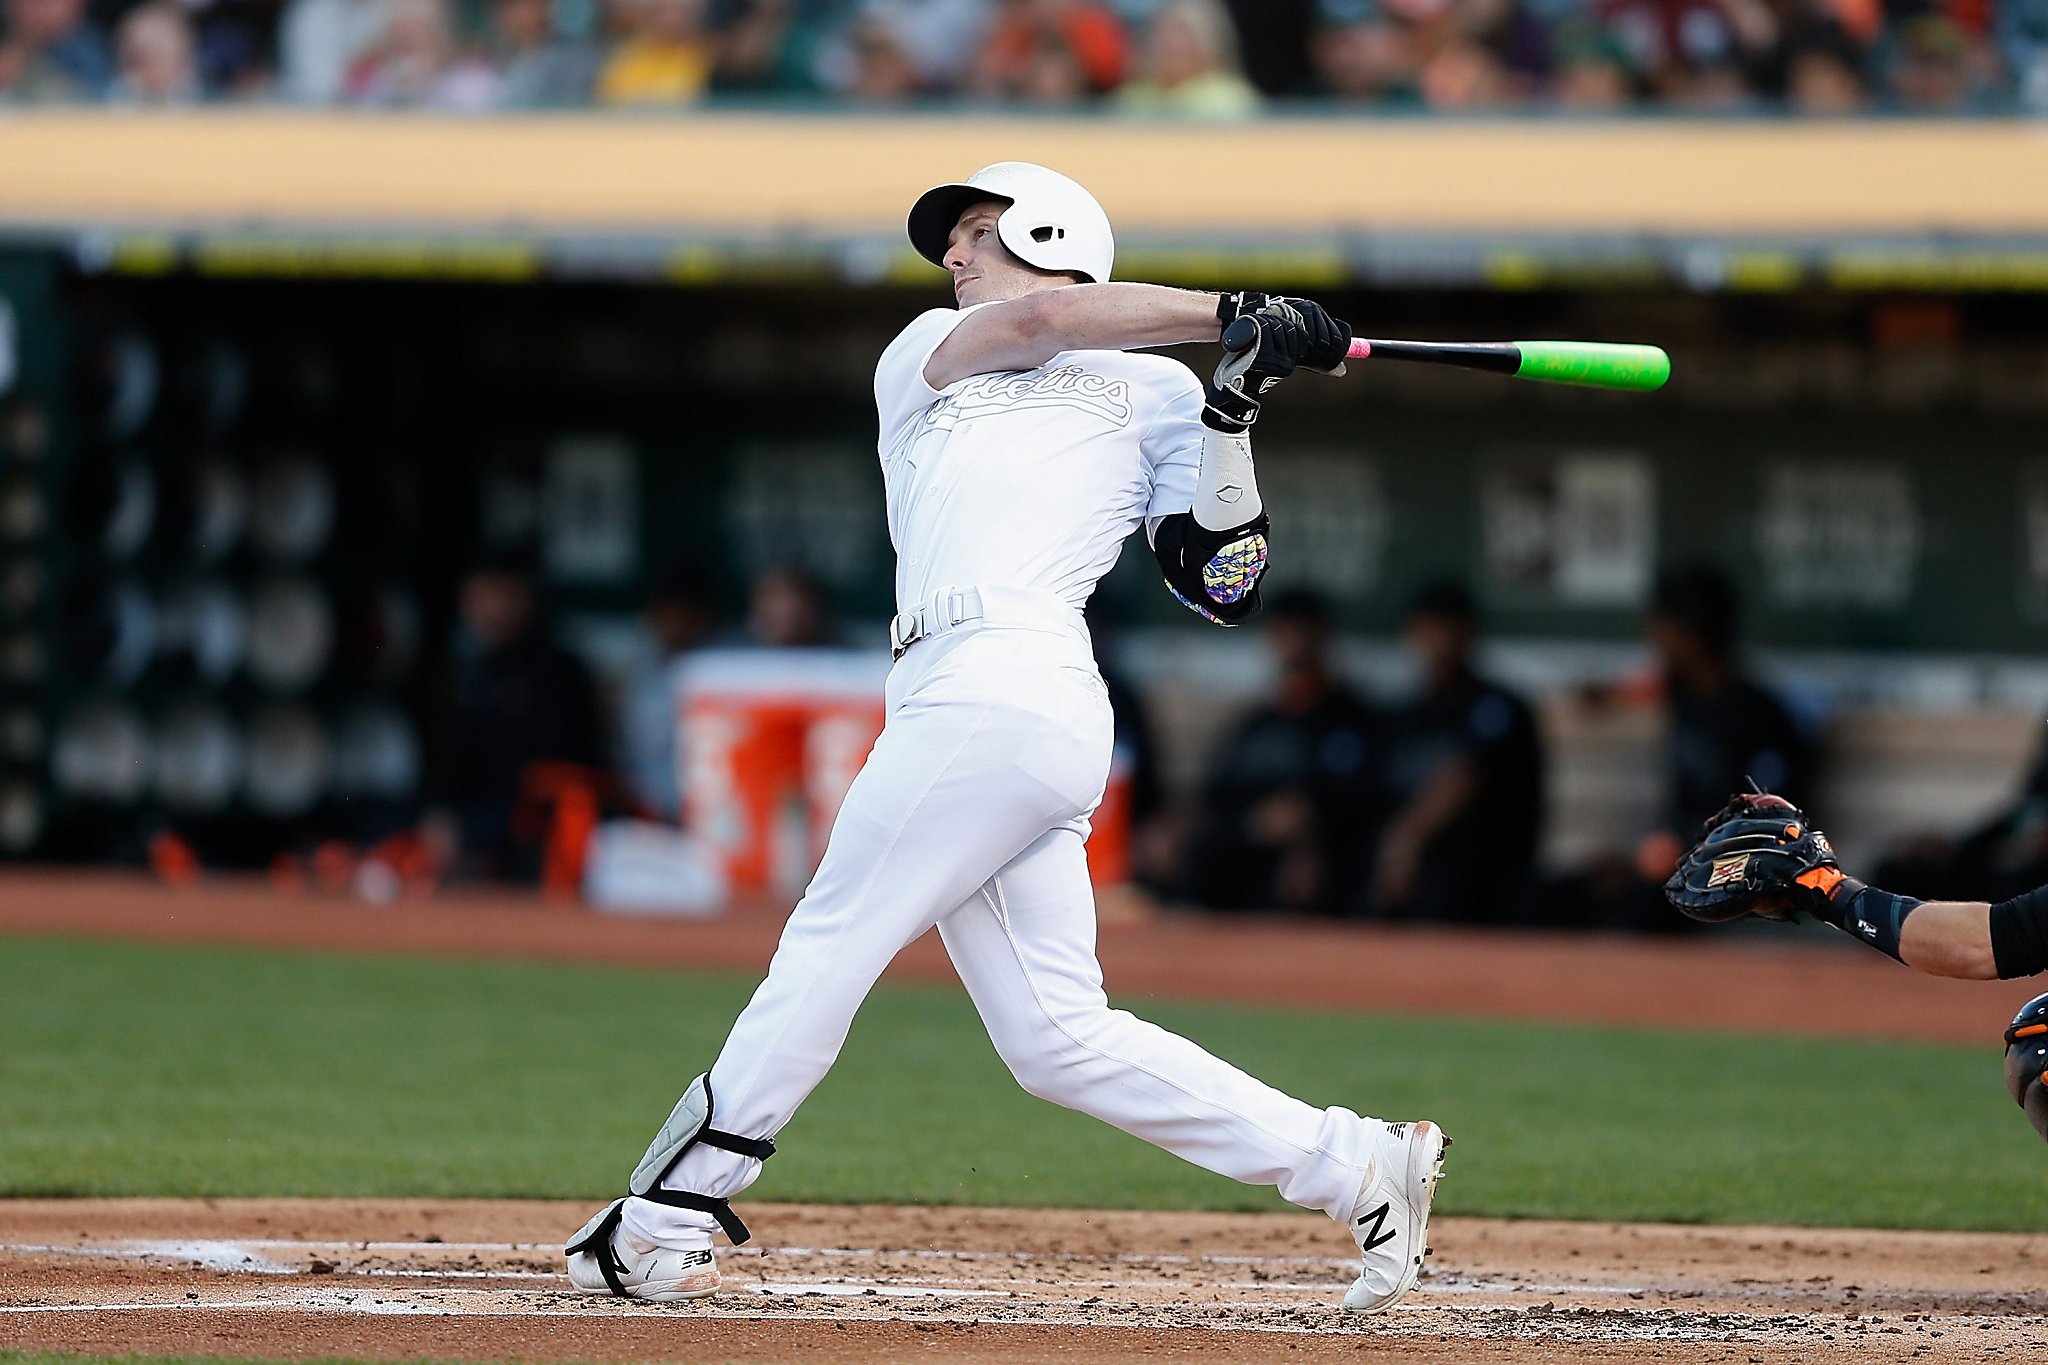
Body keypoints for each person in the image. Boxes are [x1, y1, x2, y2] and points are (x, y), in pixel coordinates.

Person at [564, 162, 1449, 1315]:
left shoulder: (1159, 392)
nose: (951, 255)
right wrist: (1231, 315)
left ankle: (667, 1216)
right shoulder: (931, 353)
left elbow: (1223, 580)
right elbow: (1041, 318)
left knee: (830, 938)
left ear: (1044, 230)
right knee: (1054, 1039)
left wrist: (1232, 399)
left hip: (1012, 679)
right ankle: (1351, 1161)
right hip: (955, 689)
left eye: (973, 233)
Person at [1181, 588, 1382, 916]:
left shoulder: (1350, 718)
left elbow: (1360, 798)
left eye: (1301, 633)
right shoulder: (1258, 722)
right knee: (1202, 850)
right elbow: (1216, 792)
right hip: (1248, 841)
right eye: (1283, 633)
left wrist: (1307, 825)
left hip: (1319, 850)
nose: (1292, 645)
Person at [421, 550, 605, 882]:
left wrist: (469, 828)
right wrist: (443, 815)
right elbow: (453, 767)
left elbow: (556, 779)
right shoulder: (467, 671)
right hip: (476, 825)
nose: (487, 608)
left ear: (523, 597)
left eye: (497, 595)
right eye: (477, 596)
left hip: (537, 829)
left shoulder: (559, 671)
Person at [1369, 581, 1542, 924]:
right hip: (1410, 866)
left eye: (1449, 628)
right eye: (1429, 628)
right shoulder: (1404, 716)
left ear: (1470, 633)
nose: (1440, 641)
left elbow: (1465, 778)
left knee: (1448, 877)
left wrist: (1406, 836)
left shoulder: (1498, 708)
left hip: (1481, 868)